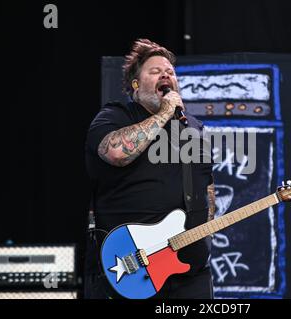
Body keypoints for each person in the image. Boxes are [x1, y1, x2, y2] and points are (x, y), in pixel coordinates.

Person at [84, 39, 216, 299]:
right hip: (130, 265)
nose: (166, 74)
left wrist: (206, 229)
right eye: (155, 71)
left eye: (170, 72)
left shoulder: (194, 128)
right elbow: (115, 152)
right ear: (136, 84)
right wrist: (165, 111)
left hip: (187, 269)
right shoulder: (116, 115)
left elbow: (206, 186)